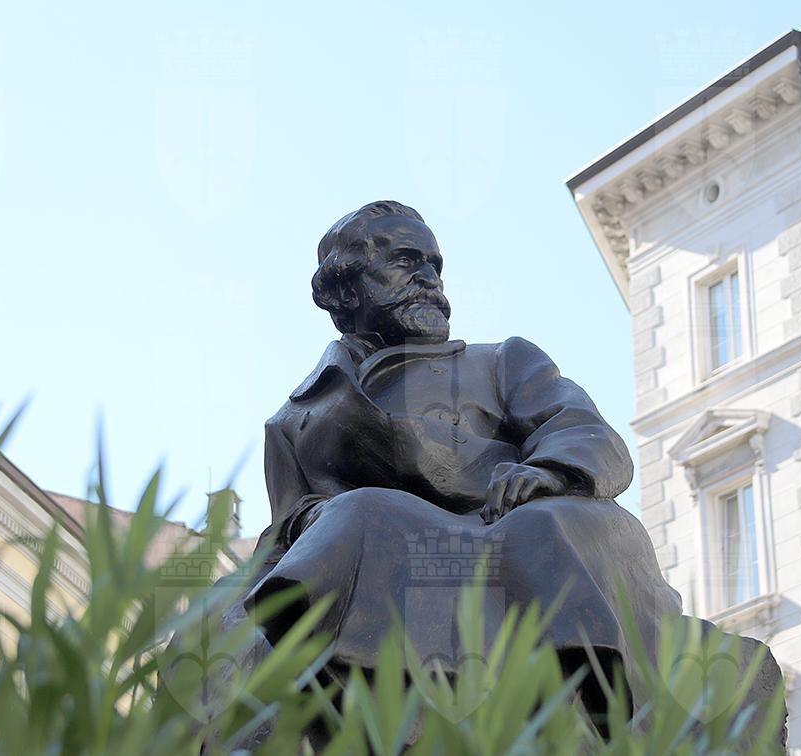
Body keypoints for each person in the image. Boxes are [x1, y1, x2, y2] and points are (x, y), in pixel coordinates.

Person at [242, 200, 684, 716]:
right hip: (399, 546)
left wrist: (546, 471)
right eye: (406, 261)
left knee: (538, 528)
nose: (430, 279)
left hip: (519, 522)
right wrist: (310, 517)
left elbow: (581, 430)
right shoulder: (295, 419)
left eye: (435, 265)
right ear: (345, 289)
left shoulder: (501, 361)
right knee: (356, 514)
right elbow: (282, 532)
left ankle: (592, 704)